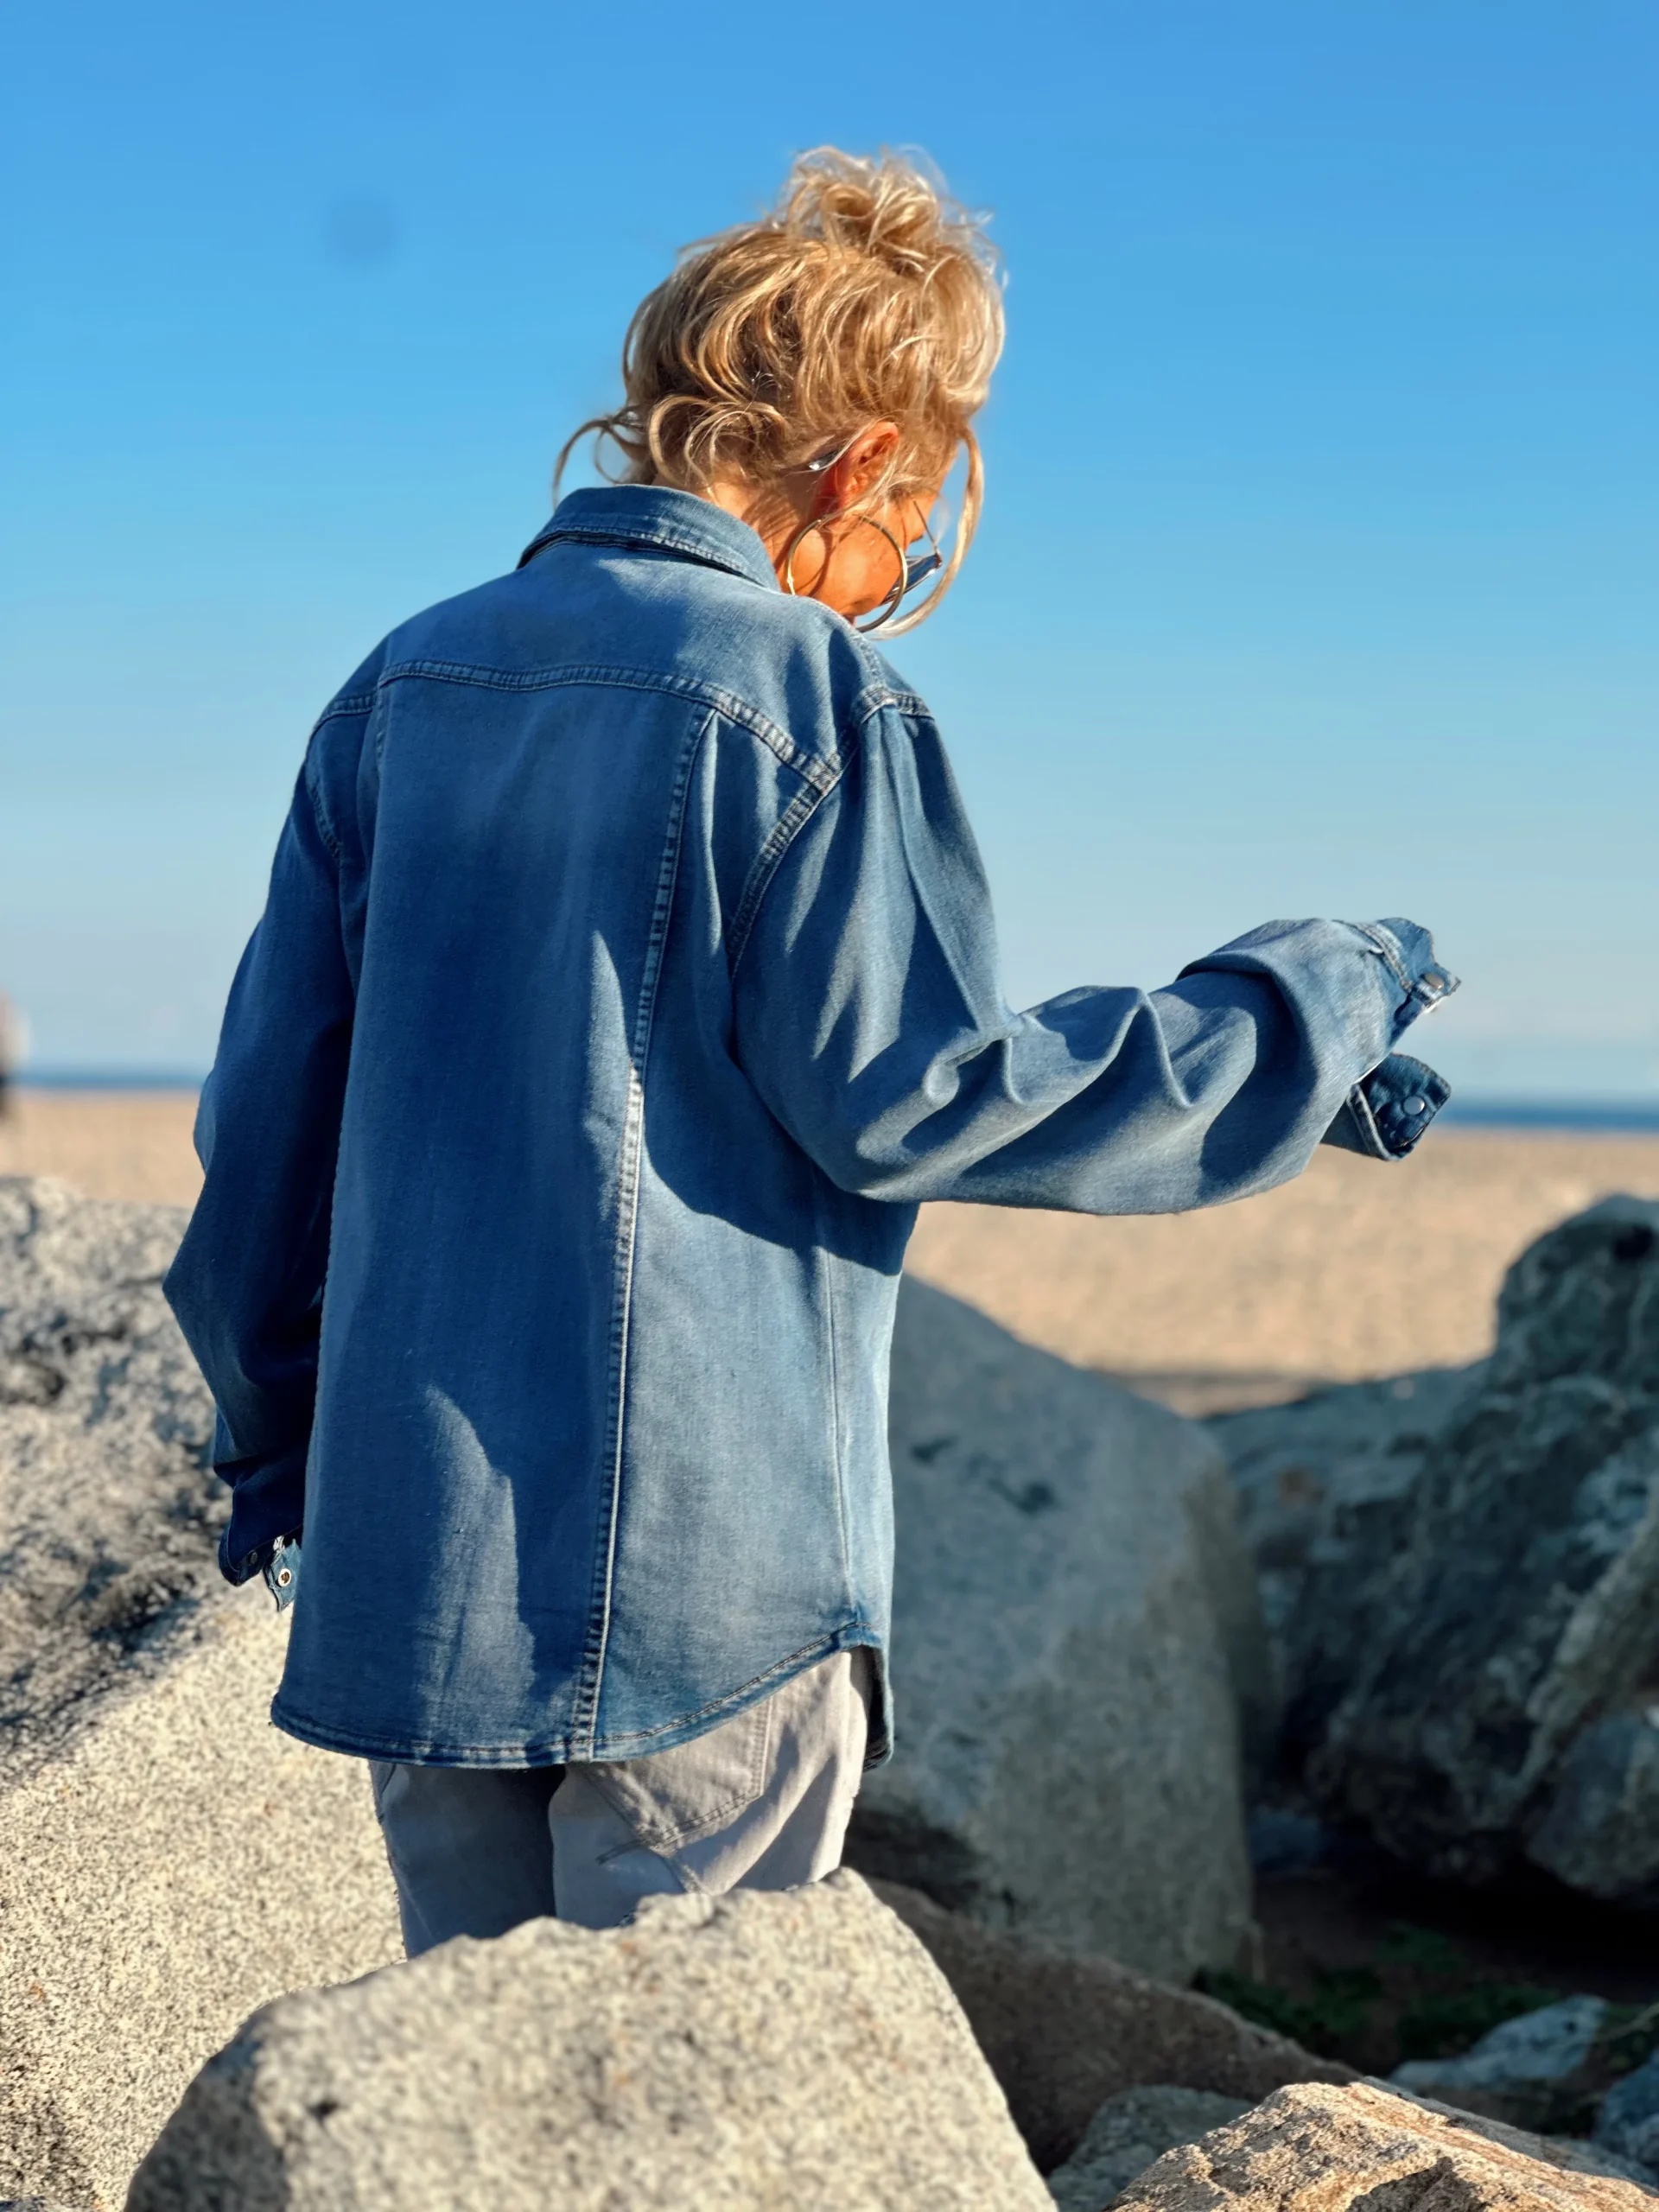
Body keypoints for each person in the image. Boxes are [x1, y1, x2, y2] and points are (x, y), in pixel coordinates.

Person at [163, 148, 1455, 1958]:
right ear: (859, 467)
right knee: (690, 2126)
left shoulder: (399, 686)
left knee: (467, 2127)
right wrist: (1301, 1011)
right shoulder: (806, 695)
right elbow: (920, 1092)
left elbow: (262, 1138)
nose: (886, 586)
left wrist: (281, 1443)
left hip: (416, 1581)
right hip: (711, 1600)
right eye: (907, 544)